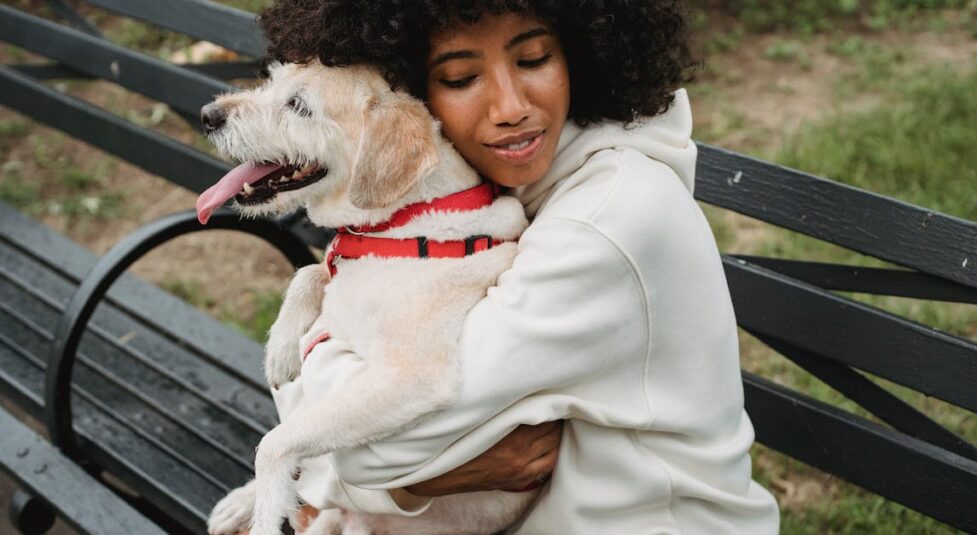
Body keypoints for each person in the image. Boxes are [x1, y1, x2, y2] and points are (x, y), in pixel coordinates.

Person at [260, 1, 780, 532]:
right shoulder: (513, 186)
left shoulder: (607, 219)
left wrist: (345, 466)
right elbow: (378, 440)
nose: (510, 106)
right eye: (461, 78)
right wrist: (399, 477)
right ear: (414, 96)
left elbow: (385, 437)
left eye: (534, 59)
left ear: (580, 55)